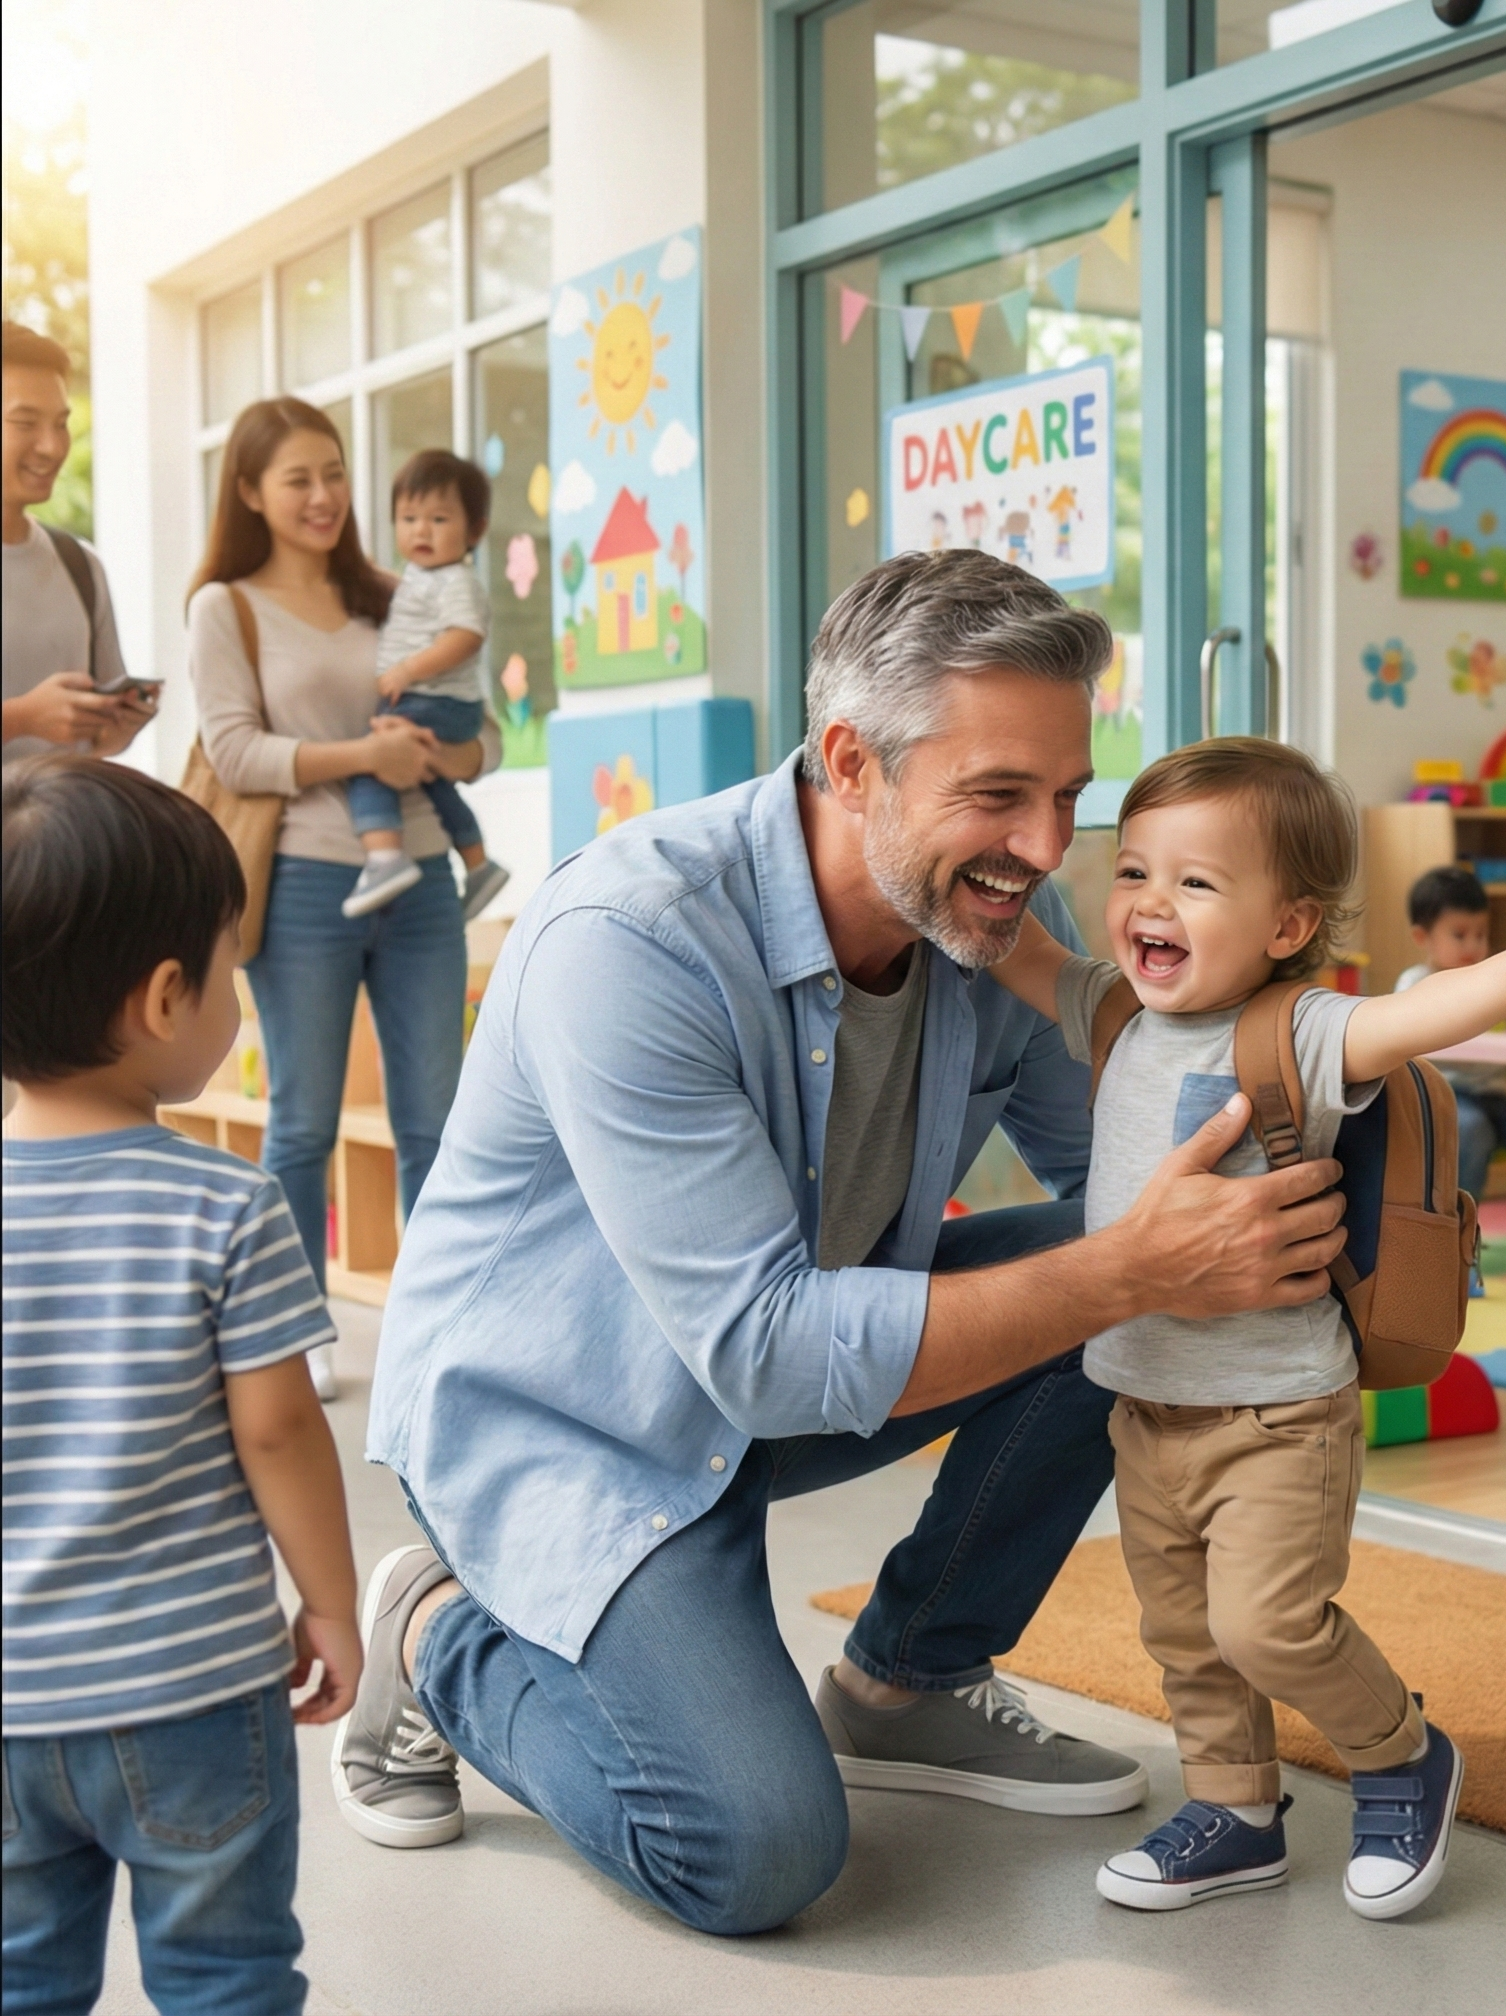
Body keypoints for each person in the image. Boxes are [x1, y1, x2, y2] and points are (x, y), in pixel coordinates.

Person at [337, 550, 1353, 1936]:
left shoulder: (997, 917)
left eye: (1068, 798)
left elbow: (1131, 1169)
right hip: (567, 1427)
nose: (1045, 847)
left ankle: (905, 1682)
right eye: (998, 795)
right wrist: (1133, 1269)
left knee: (1131, 1266)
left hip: (776, 1367)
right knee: (754, 1853)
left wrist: (1347, 1156)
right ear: (852, 764)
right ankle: (433, 1629)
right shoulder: (630, 939)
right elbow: (765, 1353)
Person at [989, 739, 1506, 1917]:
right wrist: (949, 868)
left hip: (1277, 1413)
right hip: (1145, 1407)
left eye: (1196, 882)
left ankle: (1402, 1754)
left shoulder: (1296, 1030)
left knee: (1269, 1626)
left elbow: (1411, 1018)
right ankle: (1236, 1814)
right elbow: (1023, 949)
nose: (1150, 903)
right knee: (1186, 1636)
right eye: (1134, 871)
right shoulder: (1115, 1012)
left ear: (1287, 924)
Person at [1, 755, 362, 2015]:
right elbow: (278, 1432)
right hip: (192, 1690)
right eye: (230, 967)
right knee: (225, 1980)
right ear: (167, 998)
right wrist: (331, 1605)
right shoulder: (226, 1206)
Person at [187, 398, 499, 1399]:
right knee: (304, 1122)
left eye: (333, 473)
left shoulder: (396, 594)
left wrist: (440, 755)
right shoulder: (226, 607)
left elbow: (484, 736)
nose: (324, 496)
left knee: (436, 1121)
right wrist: (364, 755)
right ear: (250, 491)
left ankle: (440, 1324)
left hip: (423, 883)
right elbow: (236, 750)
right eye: (298, 479)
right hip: (306, 885)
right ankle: (299, 1330)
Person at [342, 449, 508, 922]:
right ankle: (478, 864)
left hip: (436, 700)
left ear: (475, 531)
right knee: (435, 787)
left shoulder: (454, 580)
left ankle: (385, 858)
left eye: (438, 519)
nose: (421, 531)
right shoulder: (420, 578)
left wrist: (408, 671)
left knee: (373, 764)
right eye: (409, 518)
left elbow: (467, 636)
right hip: (434, 699)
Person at [1, 321, 157, 765]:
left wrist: (111, 730)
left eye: (61, 424)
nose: (52, 447)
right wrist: (21, 719)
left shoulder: (79, 564)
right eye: (25, 423)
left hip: (62, 810)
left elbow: (91, 746)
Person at [1394, 864, 1506, 1252]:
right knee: (1471, 1131)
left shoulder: (1494, 980)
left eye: (1481, 933)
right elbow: (1411, 1034)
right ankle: (1459, 1236)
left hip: (1494, 1095)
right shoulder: (1415, 983)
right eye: (1459, 935)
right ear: (1423, 937)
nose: (1472, 945)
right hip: (1442, 1096)